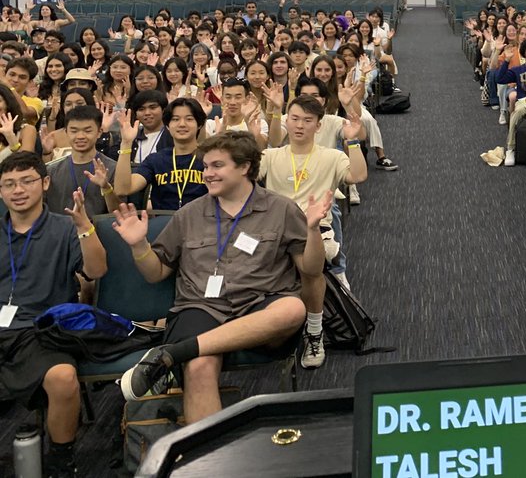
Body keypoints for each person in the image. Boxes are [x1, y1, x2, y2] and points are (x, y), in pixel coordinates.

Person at [112, 132, 329, 425]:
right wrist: (139, 246)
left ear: (245, 167)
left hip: (259, 305)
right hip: (201, 307)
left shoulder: (281, 209)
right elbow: (156, 273)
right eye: (205, 166)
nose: (207, 174)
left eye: (217, 166)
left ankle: (173, 354)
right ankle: (208, 451)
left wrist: (313, 231)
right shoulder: (189, 214)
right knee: (199, 367)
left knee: (292, 309)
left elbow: (312, 269)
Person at [0, 152, 106, 478]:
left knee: (62, 378)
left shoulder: (65, 227)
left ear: (45, 183)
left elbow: (96, 270)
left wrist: (85, 227)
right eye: (9, 184)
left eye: (27, 181)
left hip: (43, 329)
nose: (18, 190)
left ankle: (62, 461)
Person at [259, 95, 367, 368]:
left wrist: (353, 141)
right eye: (294, 119)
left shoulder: (331, 156)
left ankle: (314, 332)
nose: (299, 126)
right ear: (287, 121)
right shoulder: (270, 156)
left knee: (310, 268)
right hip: (275, 231)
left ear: (318, 126)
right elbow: (242, 175)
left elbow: (357, 176)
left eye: (307, 121)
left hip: (316, 229)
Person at [113, 98, 208, 211]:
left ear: (199, 125)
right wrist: (126, 143)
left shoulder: (209, 158)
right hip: (164, 220)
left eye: (189, 119)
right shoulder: (156, 160)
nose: (182, 124)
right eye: (175, 119)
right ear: (167, 126)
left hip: (202, 219)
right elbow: (122, 189)